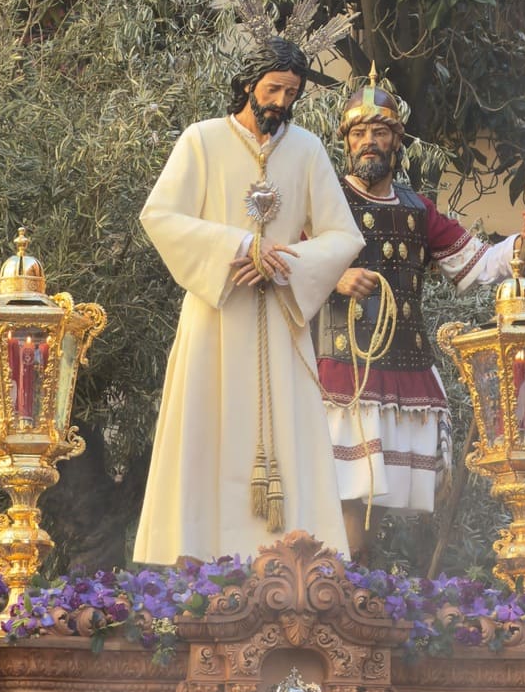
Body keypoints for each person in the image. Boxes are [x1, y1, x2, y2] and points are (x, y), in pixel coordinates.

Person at [133, 37, 364, 566]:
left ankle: (293, 561)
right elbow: (161, 215)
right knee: (207, 426)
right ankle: (198, 554)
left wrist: (285, 265)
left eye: (291, 92)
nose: (281, 102)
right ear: (247, 85)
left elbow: (342, 236)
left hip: (281, 319)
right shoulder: (201, 141)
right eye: (273, 88)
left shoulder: (306, 150)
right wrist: (239, 247)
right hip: (216, 315)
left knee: (289, 432)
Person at [315, 77, 525, 561]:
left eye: (380, 132)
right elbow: (290, 261)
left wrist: (524, 244)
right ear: (345, 141)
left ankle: (353, 584)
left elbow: (478, 264)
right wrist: (334, 276)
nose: (368, 142)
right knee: (341, 487)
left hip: (402, 365)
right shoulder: (324, 199)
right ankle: (337, 583)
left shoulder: (416, 210)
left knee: (372, 494)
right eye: (358, 133)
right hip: (340, 366)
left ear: (397, 142)